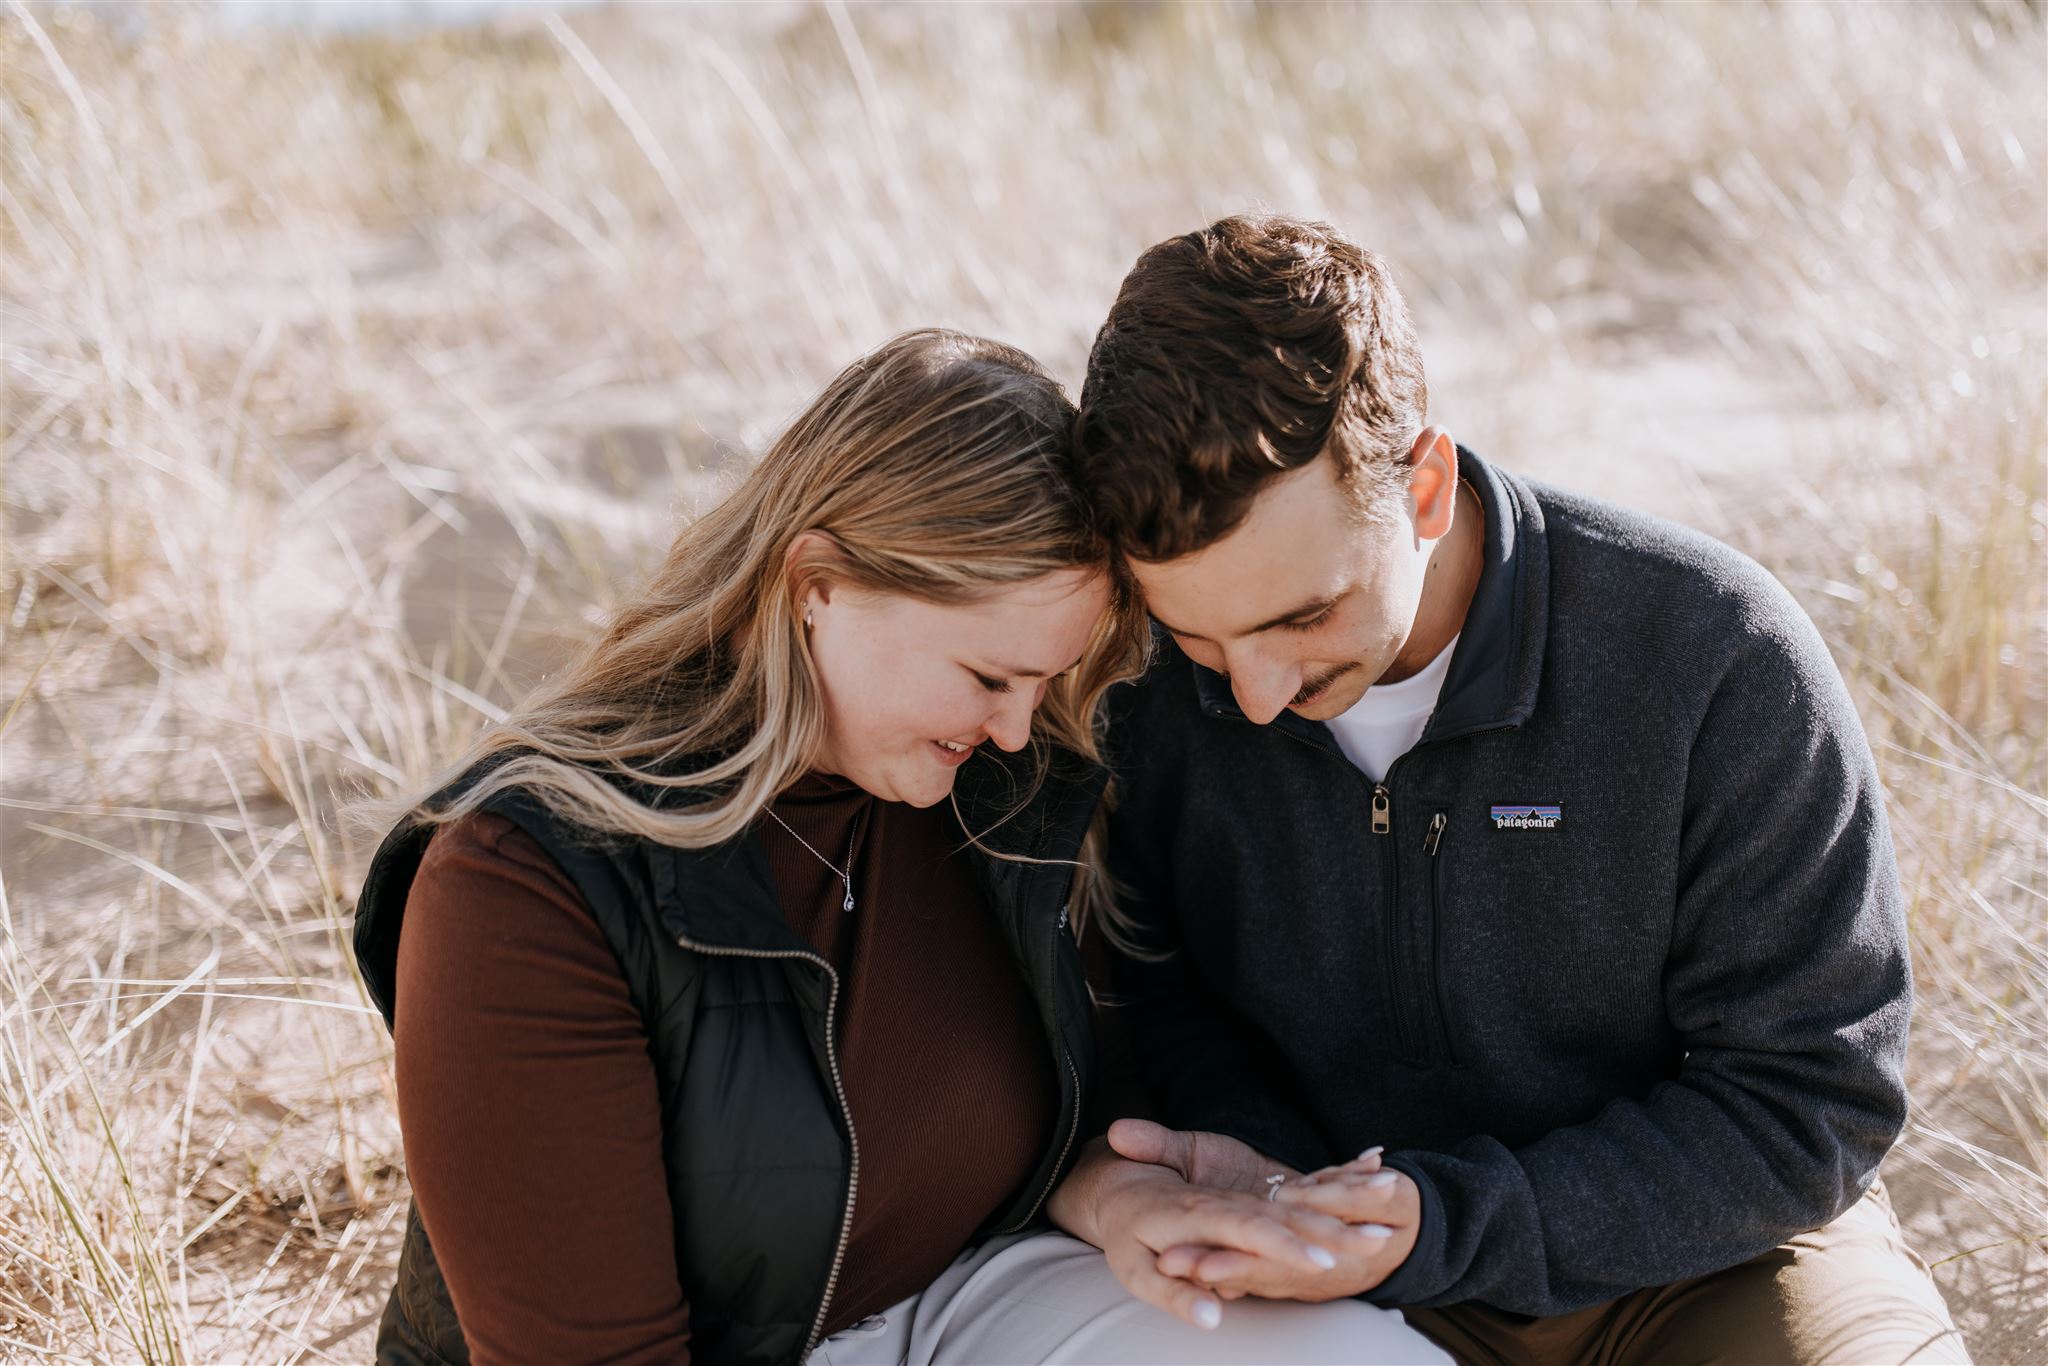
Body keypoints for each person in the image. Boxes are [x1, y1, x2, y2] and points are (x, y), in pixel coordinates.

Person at [349, 328, 1446, 1365]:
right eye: (985, 677)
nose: (1019, 728)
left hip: (974, 1293)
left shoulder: (1001, 782)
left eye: (1041, 682)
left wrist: (1120, 1190)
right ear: (814, 584)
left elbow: (1030, 1100)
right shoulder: (528, 879)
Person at [1062, 214, 1969, 1364]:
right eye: (1200, 636)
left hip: (1703, 1262)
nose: (1251, 693)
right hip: (1311, 1256)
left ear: (1425, 484)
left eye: (1303, 615)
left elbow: (1809, 1100)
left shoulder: (1711, 658)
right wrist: (1259, 1166)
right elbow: (1159, 1006)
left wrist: (1446, 1222)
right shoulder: (1135, 688)